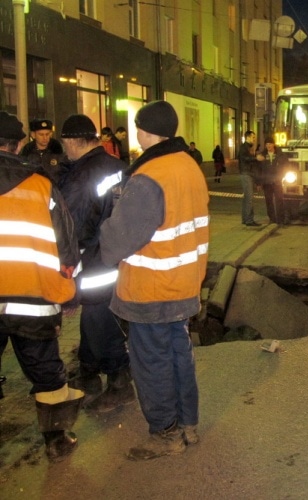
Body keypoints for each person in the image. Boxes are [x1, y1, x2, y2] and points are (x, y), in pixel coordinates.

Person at [100, 100, 209, 461]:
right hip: (184, 282)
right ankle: (187, 425)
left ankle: (165, 433)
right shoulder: (188, 165)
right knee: (178, 354)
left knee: (151, 362)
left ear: (145, 131)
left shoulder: (149, 176)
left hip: (151, 288)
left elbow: (118, 239)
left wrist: (101, 237)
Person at [0, 110, 84, 462]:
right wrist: (71, 287)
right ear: (19, 143)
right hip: (33, 300)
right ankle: (56, 438)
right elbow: (67, 248)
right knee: (46, 369)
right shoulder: (40, 185)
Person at [58, 114, 135, 413]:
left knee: (99, 318)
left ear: (73, 141)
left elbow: (71, 228)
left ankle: (120, 381)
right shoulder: (118, 167)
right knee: (97, 314)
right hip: (117, 256)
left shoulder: (81, 177)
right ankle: (89, 371)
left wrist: (64, 269)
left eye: (64, 143)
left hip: (93, 260)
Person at [237, 131, 264, 226]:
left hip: (247, 173)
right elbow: (245, 158)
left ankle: (245, 219)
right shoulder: (244, 148)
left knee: (247, 198)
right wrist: (256, 158)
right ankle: (249, 220)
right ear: (247, 137)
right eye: (253, 137)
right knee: (249, 197)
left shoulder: (248, 148)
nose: (254, 139)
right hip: (246, 173)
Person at [260, 137, 289, 225]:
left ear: (273, 144)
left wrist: (282, 175)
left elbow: (286, 165)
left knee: (279, 200)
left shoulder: (280, 154)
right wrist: (259, 181)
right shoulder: (263, 155)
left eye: (270, 144)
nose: (268, 146)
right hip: (267, 182)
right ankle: (272, 218)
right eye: (267, 144)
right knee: (268, 201)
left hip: (277, 181)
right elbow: (259, 169)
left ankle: (280, 219)